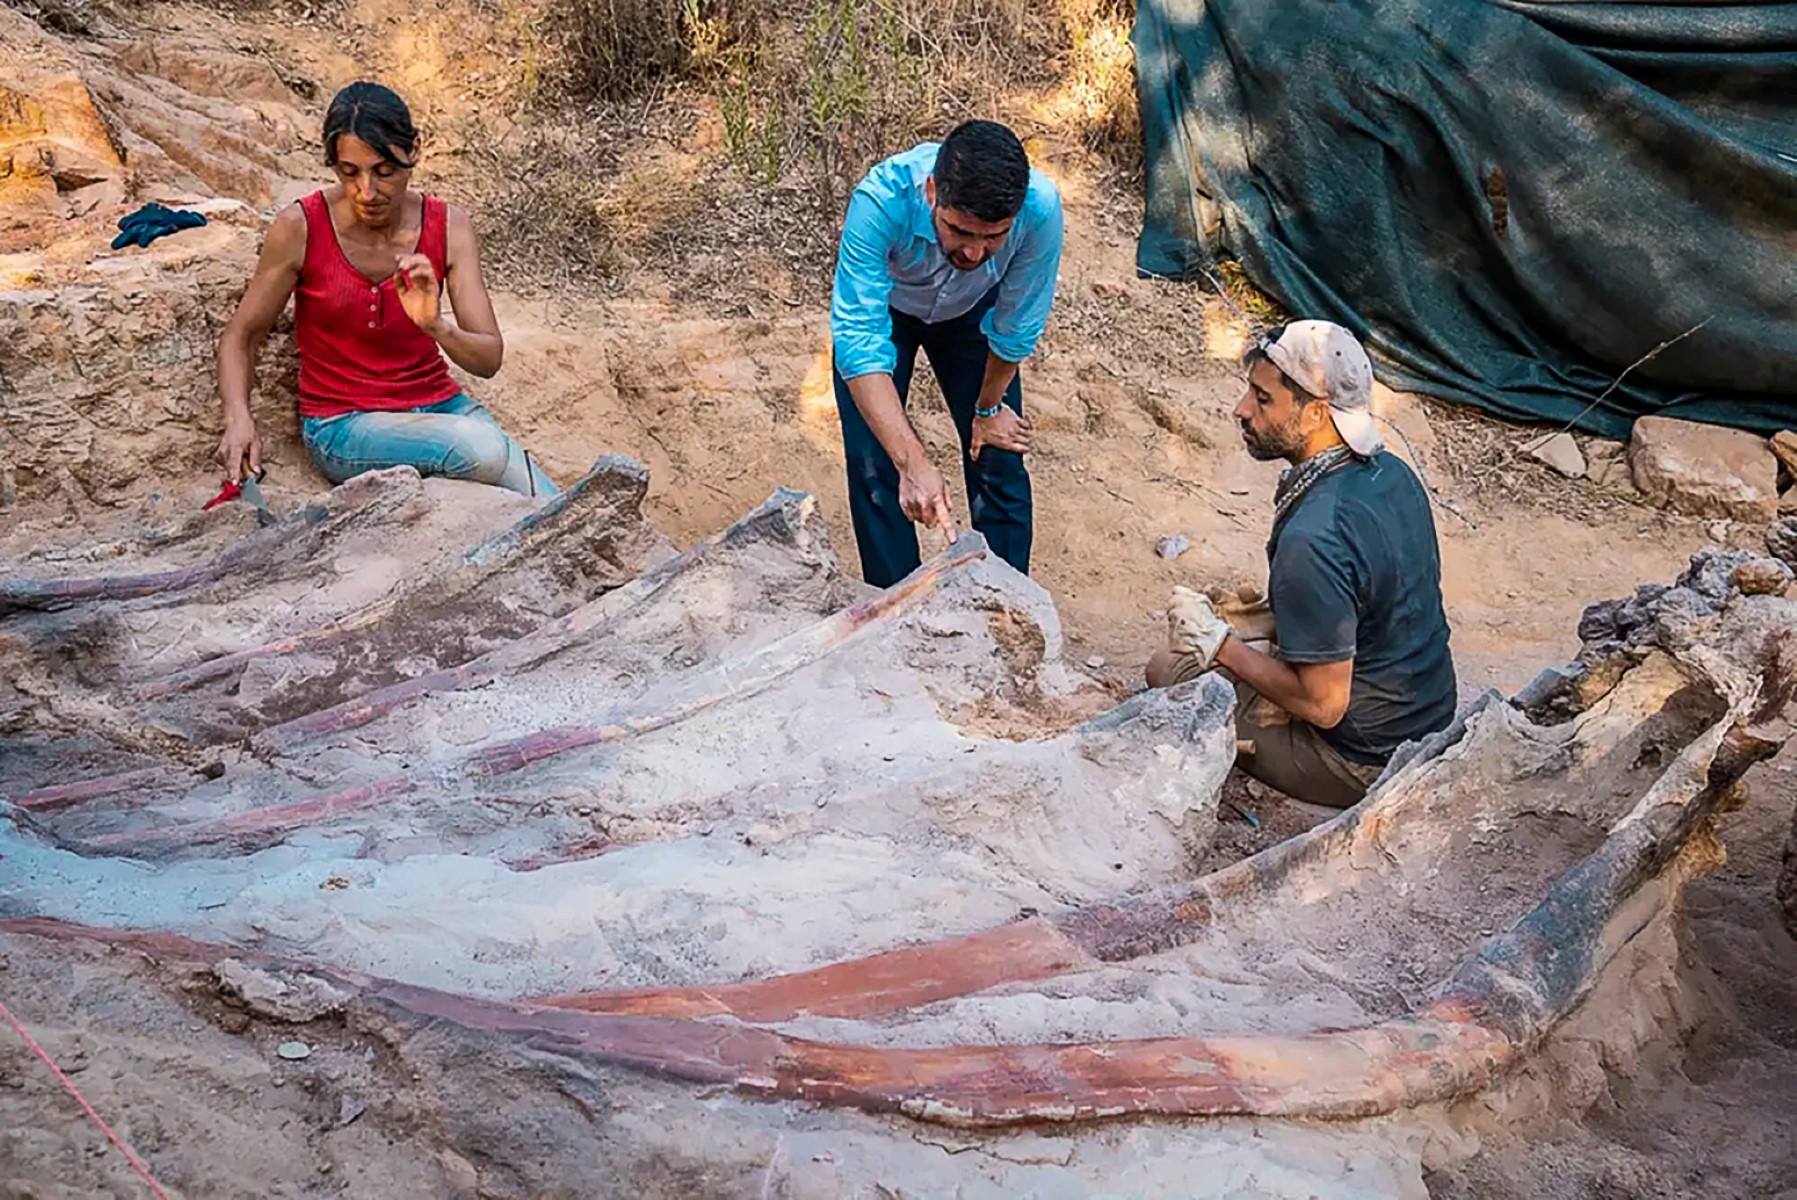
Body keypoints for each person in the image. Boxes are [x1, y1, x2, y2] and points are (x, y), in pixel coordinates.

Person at [1146, 320, 1457, 808]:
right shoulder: (1391, 473)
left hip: (1362, 758)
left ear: (1315, 413)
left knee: (1169, 667)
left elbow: (1325, 706)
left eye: (1263, 399)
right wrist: (1261, 618)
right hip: (1428, 715)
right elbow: (1372, 594)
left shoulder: (1314, 537)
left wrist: (1220, 644)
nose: (1241, 410)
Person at [214, 81, 556, 498]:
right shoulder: (301, 226)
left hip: (442, 408)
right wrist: (238, 417)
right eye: (349, 172)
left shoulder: (450, 227)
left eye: (384, 171)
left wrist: (435, 326)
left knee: (555, 505)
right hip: (343, 425)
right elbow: (242, 334)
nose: (367, 191)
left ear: (414, 150)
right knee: (485, 450)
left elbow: (488, 359)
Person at [830, 119, 1063, 587]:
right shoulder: (880, 201)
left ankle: (1009, 605)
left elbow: (1015, 325)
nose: (975, 253)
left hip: (973, 314)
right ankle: (894, 607)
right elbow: (859, 341)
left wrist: (989, 407)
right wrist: (912, 463)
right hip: (891, 312)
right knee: (877, 461)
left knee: (999, 452)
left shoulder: (1040, 211)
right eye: (960, 231)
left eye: (993, 237)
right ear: (934, 191)